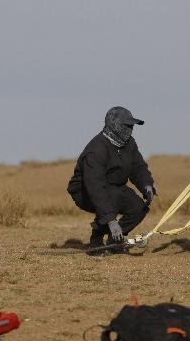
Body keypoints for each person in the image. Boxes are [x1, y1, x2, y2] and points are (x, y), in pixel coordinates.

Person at [67, 107, 156, 254]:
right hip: (85, 192)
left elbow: (138, 167)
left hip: (114, 188)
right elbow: (95, 187)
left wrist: (147, 185)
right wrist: (111, 220)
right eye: (126, 125)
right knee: (112, 198)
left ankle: (114, 241)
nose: (130, 129)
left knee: (139, 208)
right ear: (113, 124)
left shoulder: (129, 143)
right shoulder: (96, 151)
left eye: (131, 126)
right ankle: (96, 242)